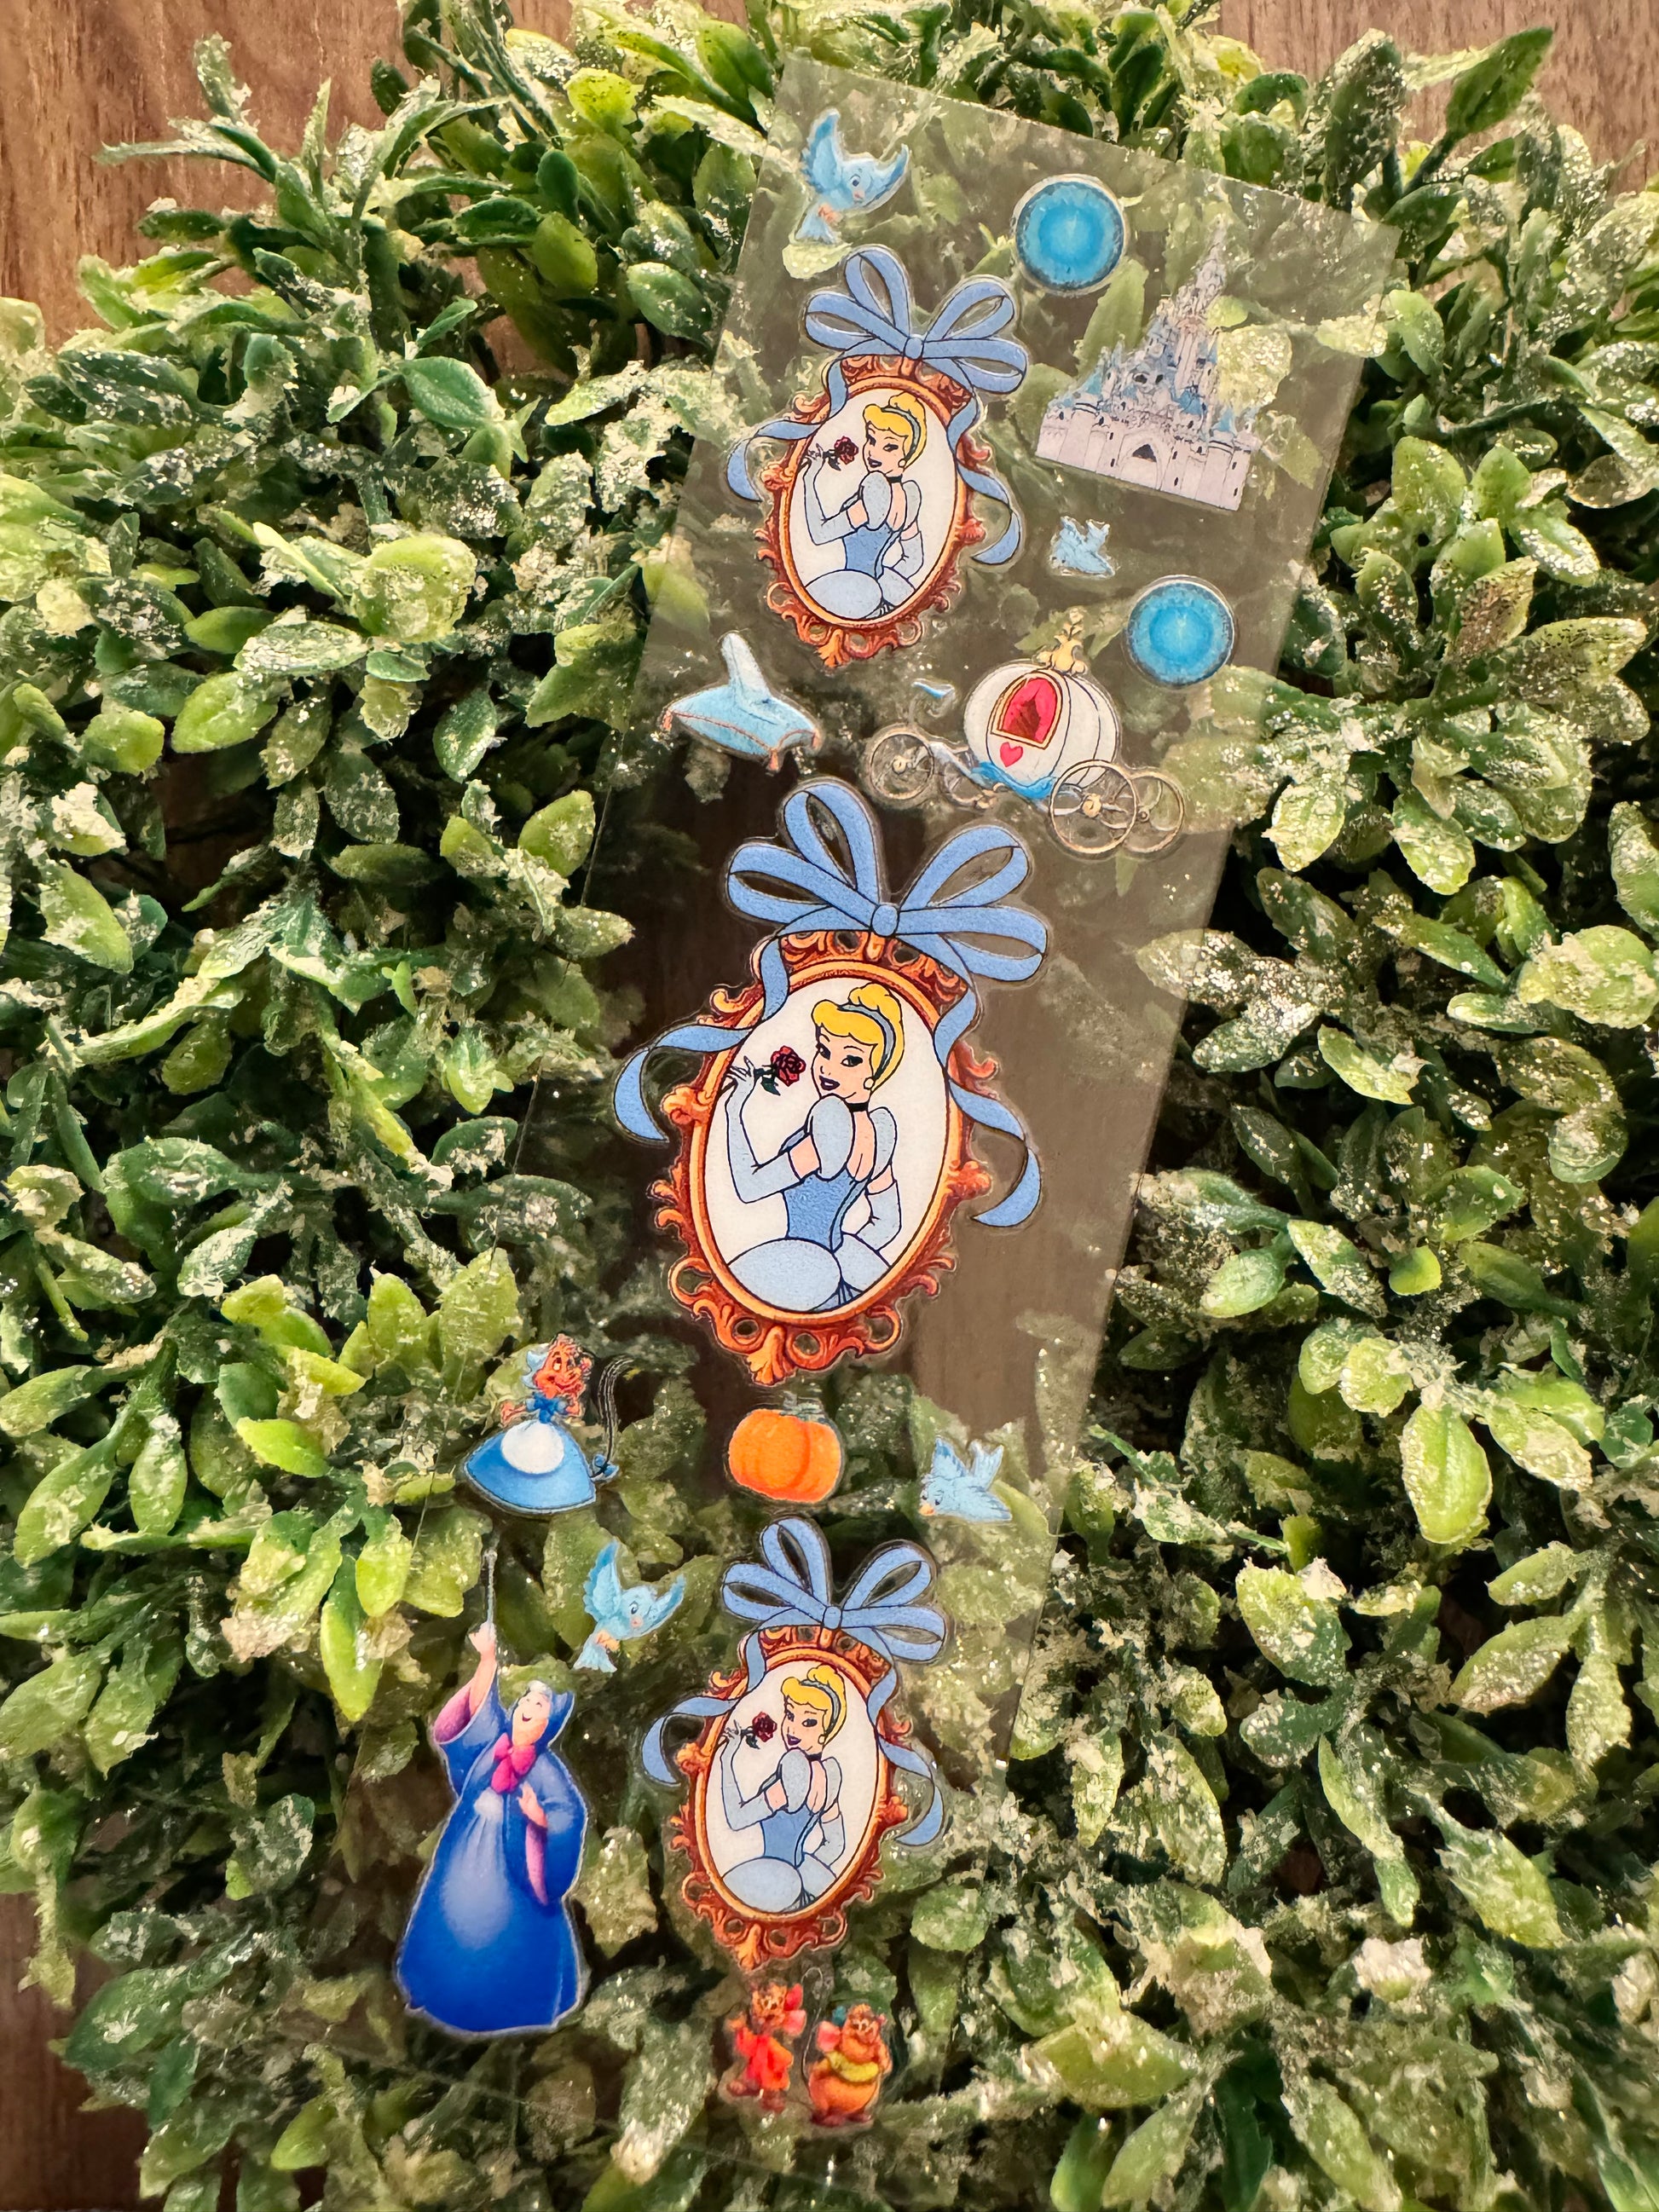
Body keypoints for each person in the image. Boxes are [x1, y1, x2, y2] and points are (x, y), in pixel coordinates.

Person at [396, 1621, 587, 2036]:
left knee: (507, 1933)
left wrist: (539, 1819)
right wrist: (486, 1658)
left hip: (513, 1861)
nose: (526, 1708)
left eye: (538, 1706)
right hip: (466, 1846)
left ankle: (507, 2004)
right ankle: (436, 1988)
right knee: (451, 1910)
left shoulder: (546, 1770)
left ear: (547, 1725)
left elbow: (569, 1814)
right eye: (525, 1701)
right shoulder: (495, 1744)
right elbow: (480, 1710)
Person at [723, 984, 905, 1314]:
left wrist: (734, 1112)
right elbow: (888, 1223)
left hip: (803, 1267)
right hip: (845, 1271)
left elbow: (749, 1188)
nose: (828, 1068)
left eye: (851, 1060)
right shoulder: (879, 1130)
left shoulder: (831, 1125)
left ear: (874, 1075)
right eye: (824, 1050)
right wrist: (845, 1254)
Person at [718, 1666, 849, 1914]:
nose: (793, 1729)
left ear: (825, 1734)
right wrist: (807, 1870)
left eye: (809, 1722)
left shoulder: (794, 1774)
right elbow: (836, 1843)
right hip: (803, 1880)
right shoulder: (828, 1775)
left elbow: (736, 1819)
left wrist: (726, 1760)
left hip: (774, 1878)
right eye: (790, 1715)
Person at [801, 396, 928, 619]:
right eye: (871, 439)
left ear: (905, 458)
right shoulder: (908, 496)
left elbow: (820, 534)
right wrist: (885, 582)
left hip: (856, 589)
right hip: (881, 591)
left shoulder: (876, 492)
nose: (873, 452)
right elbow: (914, 560)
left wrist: (809, 480)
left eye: (890, 447)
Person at [460, 1337, 616, 1515]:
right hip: (529, 1432)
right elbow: (529, 1406)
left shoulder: (559, 1403)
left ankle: (548, 1494)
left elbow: (569, 1410)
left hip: (549, 1436)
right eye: (556, 1364)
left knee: (551, 1458)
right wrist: (514, 1411)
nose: (560, 1375)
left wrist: (573, 1407)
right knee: (514, 1453)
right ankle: (502, 1483)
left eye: (568, 1367)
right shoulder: (539, 1398)